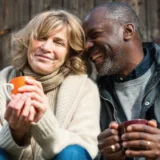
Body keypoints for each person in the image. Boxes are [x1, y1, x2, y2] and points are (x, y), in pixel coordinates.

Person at [0, 9, 100, 160]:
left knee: (73, 152)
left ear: (70, 53)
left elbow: (86, 148)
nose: (46, 48)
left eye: (58, 42)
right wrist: (16, 132)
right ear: (28, 42)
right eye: (41, 38)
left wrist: (43, 120)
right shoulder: (3, 81)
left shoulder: (85, 88)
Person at [83, 2, 160, 160]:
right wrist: (104, 156)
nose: (85, 46)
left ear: (127, 31)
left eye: (95, 35)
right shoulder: (91, 94)